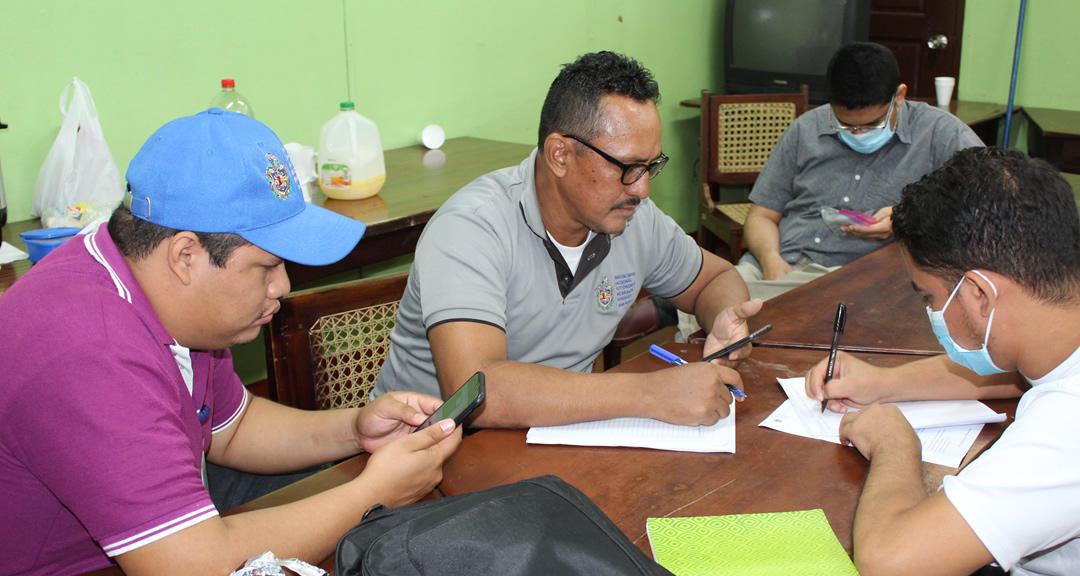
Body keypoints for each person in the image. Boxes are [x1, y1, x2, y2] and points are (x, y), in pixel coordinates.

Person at [0, 109, 462, 575]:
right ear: (185, 256)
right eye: (267, 266)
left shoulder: (161, 293)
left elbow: (230, 429)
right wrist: (373, 494)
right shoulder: (88, 349)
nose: (282, 286)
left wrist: (354, 430)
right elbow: (190, 567)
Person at [374, 51, 760, 428]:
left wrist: (724, 318)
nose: (642, 189)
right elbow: (477, 393)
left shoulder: (632, 218)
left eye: (651, 166)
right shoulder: (471, 228)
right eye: (628, 167)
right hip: (426, 460)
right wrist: (650, 394)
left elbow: (716, 278)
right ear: (560, 154)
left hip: (551, 437)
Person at [804, 147, 1080, 575]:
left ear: (980, 295)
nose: (930, 310)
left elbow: (889, 564)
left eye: (929, 296)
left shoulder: (1066, 426)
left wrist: (895, 446)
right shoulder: (1059, 329)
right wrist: (883, 382)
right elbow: (1017, 375)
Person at [738, 42, 984, 301]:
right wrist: (771, 261)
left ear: (899, 96)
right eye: (844, 125)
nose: (858, 134)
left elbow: (985, 210)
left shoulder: (941, 134)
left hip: (850, 280)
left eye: (872, 124)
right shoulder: (806, 128)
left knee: (728, 318)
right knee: (706, 302)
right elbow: (761, 216)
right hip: (771, 267)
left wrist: (906, 219)